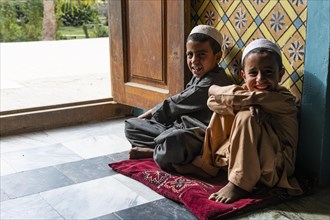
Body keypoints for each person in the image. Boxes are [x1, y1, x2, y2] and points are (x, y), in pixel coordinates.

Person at [174, 38, 303, 203]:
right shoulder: (246, 93)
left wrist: (213, 88)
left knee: (246, 116)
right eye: (253, 73)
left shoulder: (283, 99)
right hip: (253, 161)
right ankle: (208, 166)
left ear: (281, 74)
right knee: (228, 110)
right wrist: (238, 106)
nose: (260, 79)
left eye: (269, 72)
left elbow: (218, 96)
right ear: (243, 75)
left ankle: (239, 183)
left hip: (276, 167)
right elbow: (212, 103)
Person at [124, 25, 233, 171]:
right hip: (176, 128)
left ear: (218, 56)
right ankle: (163, 147)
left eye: (201, 54)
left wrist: (145, 117)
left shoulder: (211, 83)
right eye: (190, 54)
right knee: (130, 126)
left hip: (196, 137)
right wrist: (141, 121)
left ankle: (153, 152)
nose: (194, 61)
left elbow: (173, 104)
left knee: (174, 141)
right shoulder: (200, 75)